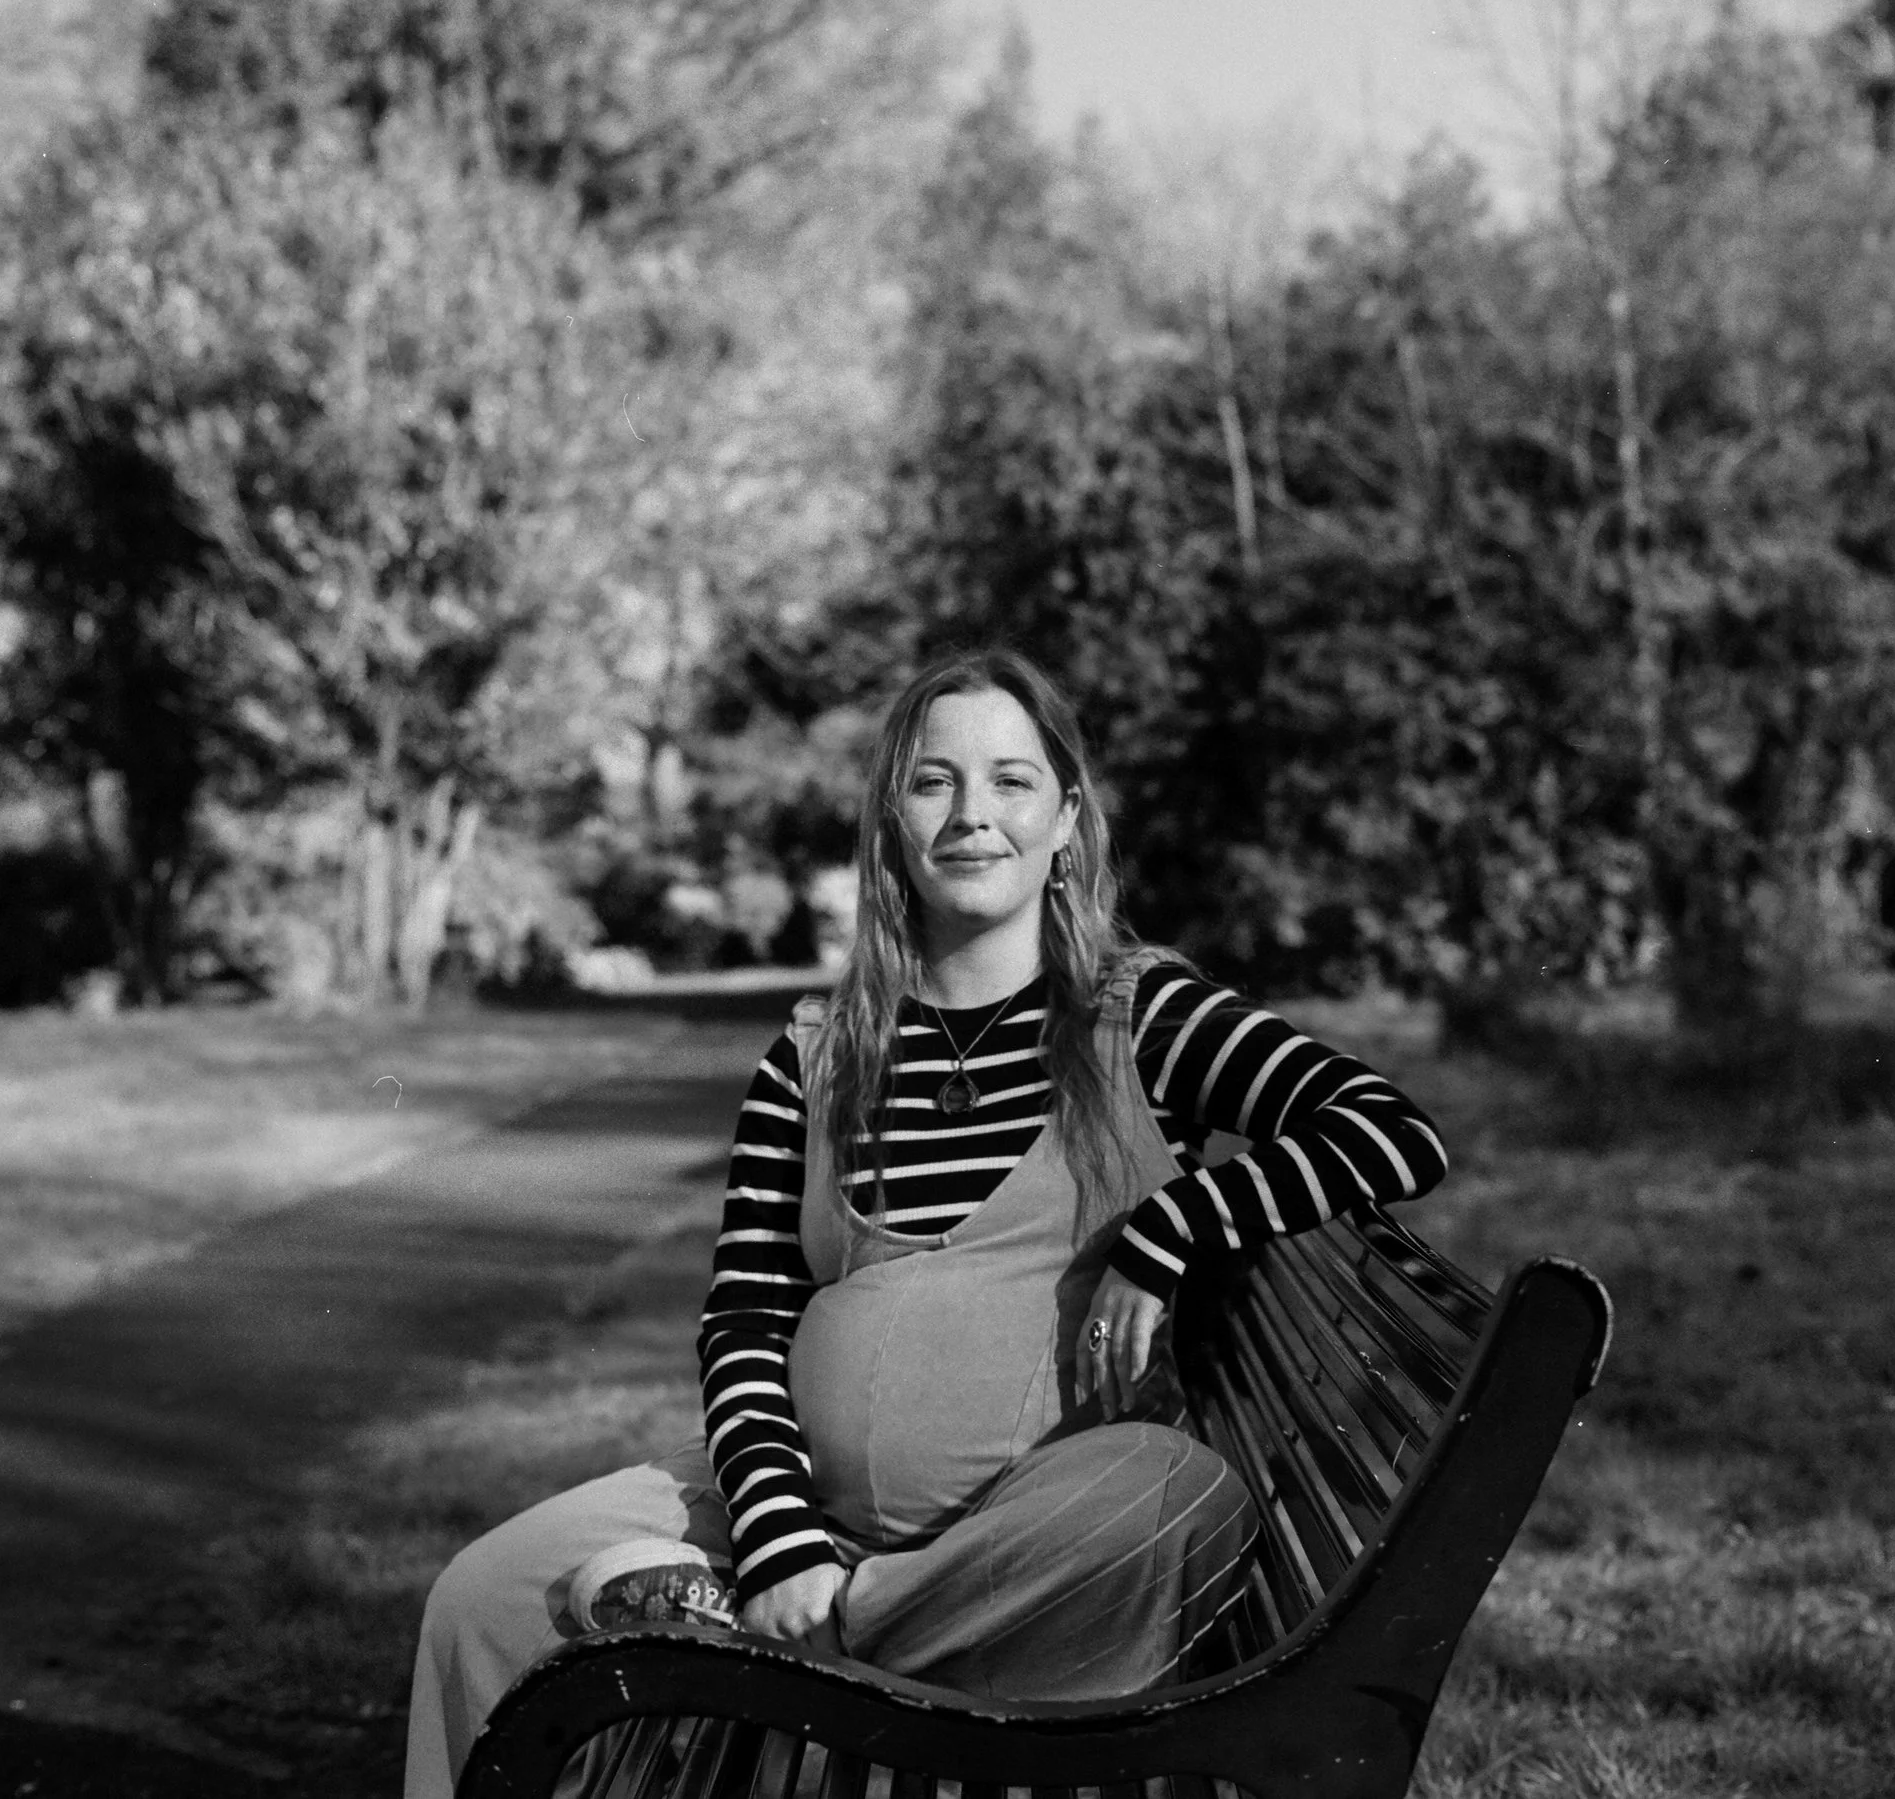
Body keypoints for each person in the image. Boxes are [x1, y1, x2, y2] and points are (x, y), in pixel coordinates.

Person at [404, 650, 1449, 1799]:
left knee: (1176, 1498)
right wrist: (780, 1531)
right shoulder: (816, 1053)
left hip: (1029, 1531)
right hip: (799, 1511)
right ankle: (786, 1623)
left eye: (1010, 781)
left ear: (1066, 820)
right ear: (890, 824)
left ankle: (754, 1650)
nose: (970, 815)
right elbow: (745, 1319)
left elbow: (1391, 1133)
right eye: (931, 782)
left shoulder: (1142, 1015)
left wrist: (1174, 1228)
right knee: (480, 1601)